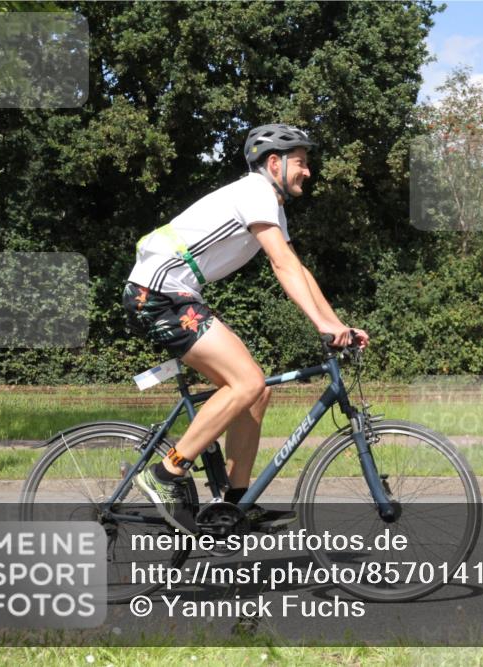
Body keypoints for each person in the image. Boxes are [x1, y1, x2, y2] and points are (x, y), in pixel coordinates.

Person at [122, 123, 368, 533]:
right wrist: (325, 325)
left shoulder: (269, 204)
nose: (308, 171)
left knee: (256, 390)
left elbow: (297, 269)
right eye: (301, 163)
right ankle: (166, 474)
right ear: (274, 163)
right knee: (247, 382)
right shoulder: (255, 191)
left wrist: (336, 324)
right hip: (157, 294)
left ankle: (234, 503)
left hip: (177, 296)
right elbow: (281, 265)